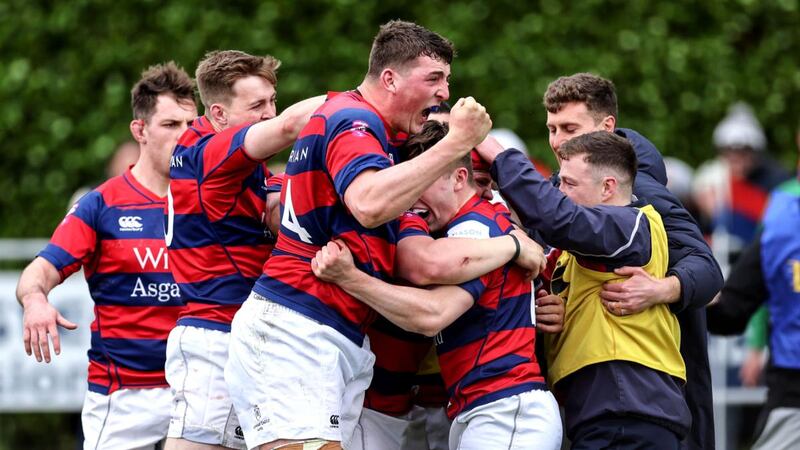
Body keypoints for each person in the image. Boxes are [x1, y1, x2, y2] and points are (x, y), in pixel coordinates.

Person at [222, 20, 525, 450]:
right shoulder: (355, 120)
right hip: (297, 330)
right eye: (434, 79)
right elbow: (367, 203)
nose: (444, 93)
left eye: (447, 81)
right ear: (389, 78)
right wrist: (457, 143)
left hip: (323, 332)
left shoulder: (362, 124)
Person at [476, 72, 721, 450]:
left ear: (607, 127)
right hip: (592, 405)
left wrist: (663, 288)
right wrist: (554, 309)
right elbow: (574, 263)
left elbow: (707, 269)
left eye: (570, 128)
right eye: (552, 129)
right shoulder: (562, 196)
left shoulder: (639, 196)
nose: (557, 142)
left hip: (635, 404)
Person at [312, 120, 561, 450]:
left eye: (425, 181)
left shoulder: (472, 228)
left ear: (459, 178)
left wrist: (350, 278)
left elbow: (431, 314)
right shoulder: (474, 226)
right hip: (484, 409)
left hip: (504, 408)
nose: (412, 196)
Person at [16, 62, 197, 449]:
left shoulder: (214, 199)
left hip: (200, 390)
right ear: (140, 130)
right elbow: (40, 271)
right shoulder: (100, 205)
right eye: (170, 125)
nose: (184, 137)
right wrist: (35, 301)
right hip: (125, 395)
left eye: (190, 125)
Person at [164, 50, 325, 450]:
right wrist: (367, 98)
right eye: (256, 106)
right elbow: (290, 126)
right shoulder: (210, 152)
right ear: (218, 114)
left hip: (245, 334)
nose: (270, 113)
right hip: (214, 334)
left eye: (272, 101)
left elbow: (275, 211)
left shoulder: (246, 165)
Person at [706, 126, 800, 450]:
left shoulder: (781, 215)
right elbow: (735, 307)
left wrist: (680, 290)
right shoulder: (781, 212)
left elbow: (729, 311)